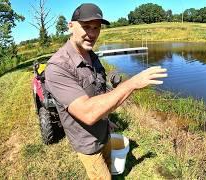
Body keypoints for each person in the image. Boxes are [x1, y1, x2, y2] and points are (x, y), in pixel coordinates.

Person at [45, 3, 167, 179]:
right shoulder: (58, 67)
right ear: (71, 26)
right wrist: (131, 83)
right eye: (86, 26)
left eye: (97, 28)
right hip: (89, 144)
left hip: (104, 133)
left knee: (110, 168)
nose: (92, 34)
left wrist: (105, 119)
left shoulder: (92, 56)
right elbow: (87, 113)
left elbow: (98, 91)